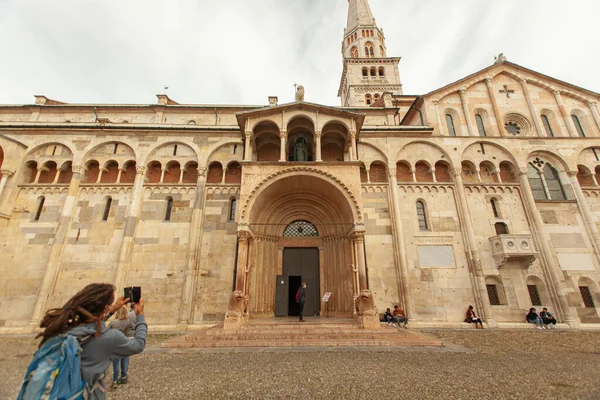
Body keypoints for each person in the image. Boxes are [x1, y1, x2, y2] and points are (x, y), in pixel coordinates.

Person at [36, 283, 147, 399]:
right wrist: (140, 315)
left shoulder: (63, 329)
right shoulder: (108, 338)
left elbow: (92, 324)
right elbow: (138, 345)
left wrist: (112, 309)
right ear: (105, 308)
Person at [108, 306, 136, 389]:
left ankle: (114, 380)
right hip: (124, 344)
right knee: (125, 361)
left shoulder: (112, 323)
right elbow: (129, 333)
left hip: (115, 345)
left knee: (116, 364)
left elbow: (108, 333)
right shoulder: (128, 322)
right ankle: (124, 376)